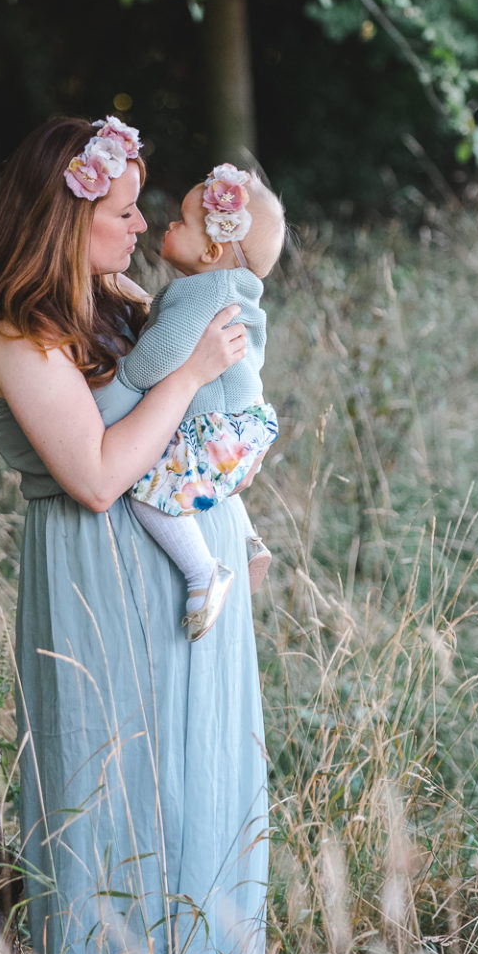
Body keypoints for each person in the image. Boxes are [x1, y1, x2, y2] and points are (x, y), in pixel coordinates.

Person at [0, 116, 270, 954]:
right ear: (67, 215)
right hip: (99, 583)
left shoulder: (106, 299)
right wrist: (187, 375)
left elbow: (185, 438)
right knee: (110, 802)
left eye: (144, 209)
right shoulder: (17, 330)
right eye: (123, 210)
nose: (139, 227)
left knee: (193, 790)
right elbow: (97, 476)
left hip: (183, 585)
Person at [122, 164, 285, 640]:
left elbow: (163, 355)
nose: (168, 225)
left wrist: (129, 374)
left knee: (148, 495)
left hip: (213, 428)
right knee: (210, 475)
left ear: (212, 249)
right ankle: (247, 540)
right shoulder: (236, 291)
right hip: (245, 425)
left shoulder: (201, 292)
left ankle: (203, 573)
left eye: (182, 222)